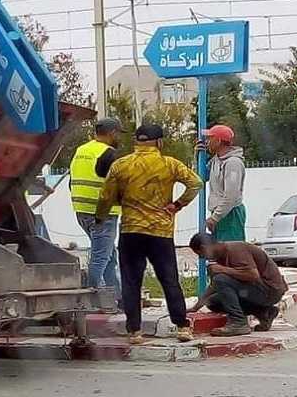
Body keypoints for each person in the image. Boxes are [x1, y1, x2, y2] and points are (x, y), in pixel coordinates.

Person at [96, 124, 203, 345]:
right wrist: (177, 205)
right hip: (160, 232)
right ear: (159, 142)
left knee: (131, 282)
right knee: (169, 279)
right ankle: (182, 326)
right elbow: (196, 183)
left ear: (136, 142)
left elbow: (106, 197)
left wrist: (100, 217)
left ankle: (134, 331)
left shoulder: (121, 165)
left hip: (131, 231)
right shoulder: (169, 164)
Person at [187, 233, 287, 336]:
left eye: (201, 254)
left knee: (220, 279)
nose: (203, 258)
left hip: (270, 290)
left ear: (205, 248)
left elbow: (253, 275)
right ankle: (264, 312)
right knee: (212, 302)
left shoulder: (235, 249)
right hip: (256, 290)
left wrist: (222, 270)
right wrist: (197, 306)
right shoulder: (220, 256)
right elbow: (215, 285)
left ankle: (238, 322)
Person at [70, 117, 124, 294]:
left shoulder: (81, 150)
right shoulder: (109, 153)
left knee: (109, 256)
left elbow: (72, 182)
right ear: (112, 133)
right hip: (103, 214)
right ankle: (91, 297)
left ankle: (116, 296)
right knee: (101, 257)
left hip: (81, 212)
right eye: (119, 134)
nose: (119, 139)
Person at [200, 125, 247, 242]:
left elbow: (231, 196)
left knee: (232, 253)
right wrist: (200, 156)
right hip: (221, 213)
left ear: (219, 141)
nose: (207, 142)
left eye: (210, 138)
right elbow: (201, 177)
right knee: (221, 253)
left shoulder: (233, 163)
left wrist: (215, 218)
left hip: (230, 214)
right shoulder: (216, 160)